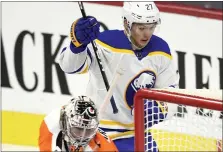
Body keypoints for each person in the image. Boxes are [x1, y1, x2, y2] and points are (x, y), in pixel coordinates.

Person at [59, 2, 180, 151]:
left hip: (136, 134)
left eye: (151, 27)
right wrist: (77, 45)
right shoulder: (105, 43)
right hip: (98, 132)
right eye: (141, 28)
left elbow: (171, 92)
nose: (147, 34)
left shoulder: (161, 50)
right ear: (126, 23)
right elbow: (69, 66)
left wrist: (159, 107)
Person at [38, 95, 118, 151]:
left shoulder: (106, 147)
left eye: (88, 131)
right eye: (78, 129)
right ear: (66, 124)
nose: (82, 137)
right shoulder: (51, 125)